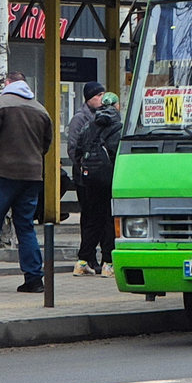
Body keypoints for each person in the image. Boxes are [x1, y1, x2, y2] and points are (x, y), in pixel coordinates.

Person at [0, 71, 53, 294]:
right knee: (25, 227)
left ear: (7, 83)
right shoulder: (40, 109)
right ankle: (34, 279)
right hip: (32, 175)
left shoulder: (0, 103)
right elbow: (46, 143)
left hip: (4, 174)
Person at [72, 91, 122, 277]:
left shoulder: (88, 125)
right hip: (110, 178)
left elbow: (78, 150)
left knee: (92, 220)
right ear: (116, 106)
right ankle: (108, 264)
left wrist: (85, 170)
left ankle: (82, 262)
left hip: (89, 179)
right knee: (109, 220)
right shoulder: (119, 126)